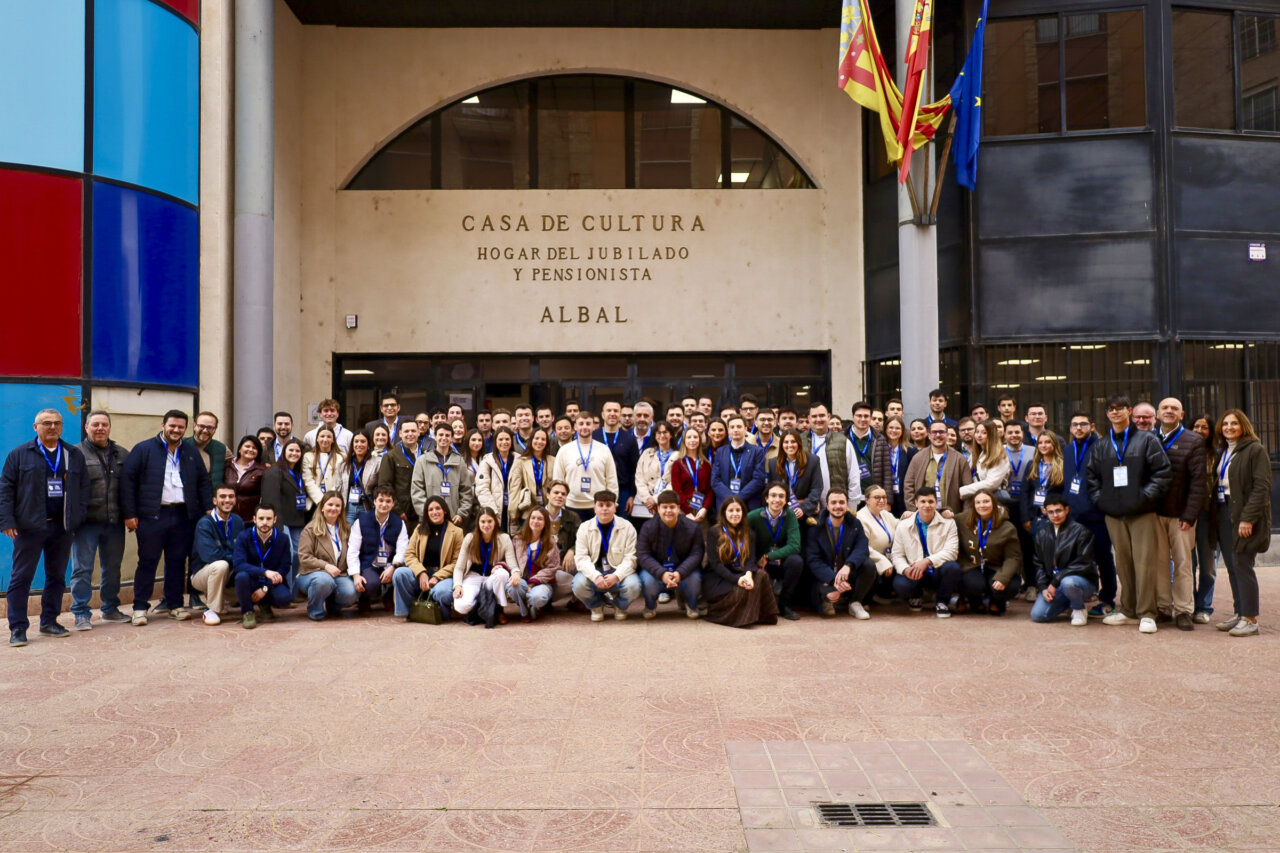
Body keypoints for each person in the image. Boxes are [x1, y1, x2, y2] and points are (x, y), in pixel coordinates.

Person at [1, 408, 89, 646]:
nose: (52, 427)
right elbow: (6, 489)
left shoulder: (72, 454)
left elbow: (83, 490)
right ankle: (18, 628)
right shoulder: (19, 454)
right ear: (35, 427)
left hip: (61, 528)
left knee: (57, 577)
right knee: (21, 578)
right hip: (29, 528)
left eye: (57, 423)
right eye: (46, 423)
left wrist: (76, 519)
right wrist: (6, 520)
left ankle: (49, 622)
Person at [1087, 395, 1171, 634]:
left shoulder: (1147, 440)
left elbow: (1162, 473)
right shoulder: (1101, 446)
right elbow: (1091, 478)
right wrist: (1101, 501)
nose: (1115, 413)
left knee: (1145, 563)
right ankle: (1128, 610)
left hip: (1142, 512)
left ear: (1129, 411)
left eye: (1120, 408)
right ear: (1107, 414)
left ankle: (1147, 613)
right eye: (1111, 409)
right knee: (1122, 563)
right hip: (1113, 514)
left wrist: (1143, 498)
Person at [120, 410, 213, 625]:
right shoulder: (144, 449)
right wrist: (130, 514)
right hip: (152, 516)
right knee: (148, 562)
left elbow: (203, 481)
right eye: (172, 426)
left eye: (181, 427)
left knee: (177, 562)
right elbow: (128, 482)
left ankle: (175, 605)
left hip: (183, 515)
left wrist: (208, 508)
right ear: (163, 425)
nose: (176, 430)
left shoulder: (190, 451)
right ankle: (140, 608)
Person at [1212, 410, 1271, 637]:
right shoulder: (1224, 450)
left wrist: (1248, 518)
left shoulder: (1255, 450)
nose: (1229, 427)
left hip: (1244, 514)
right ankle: (1239, 613)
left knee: (1243, 565)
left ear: (1243, 425)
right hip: (1224, 511)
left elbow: (1262, 487)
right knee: (1232, 566)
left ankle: (1250, 619)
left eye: (1234, 423)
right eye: (1225, 423)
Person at [70, 410, 129, 627]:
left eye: (104, 424)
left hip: (114, 523)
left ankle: (110, 608)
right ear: (86, 427)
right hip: (86, 524)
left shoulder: (122, 454)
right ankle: (81, 613)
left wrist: (130, 515)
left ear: (110, 427)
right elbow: (69, 491)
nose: (100, 428)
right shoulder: (74, 454)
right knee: (82, 569)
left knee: (112, 568)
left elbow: (129, 488)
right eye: (95, 424)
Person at [1153, 397, 1207, 631]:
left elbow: (1198, 481)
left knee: (1184, 564)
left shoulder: (1193, 440)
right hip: (1154, 514)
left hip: (1181, 516)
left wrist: (1190, 514)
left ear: (1182, 414)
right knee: (1159, 563)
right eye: (1165, 408)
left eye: (1174, 408)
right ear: (1158, 413)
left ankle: (1184, 610)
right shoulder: (1149, 438)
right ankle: (1163, 608)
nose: (1169, 411)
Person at [1058, 413, 1115, 617]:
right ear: (1070, 428)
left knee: (1103, 557)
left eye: (1083, 424)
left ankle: (1108, 599)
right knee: (1076, 558)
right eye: (1075, 425)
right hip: (1073, 514)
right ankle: (1080, 594)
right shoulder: (1067, 450)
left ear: (1091, 426)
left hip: (1097, 515)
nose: (1079, 428)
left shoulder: (1102, 447)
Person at [703, 497, 778, 628]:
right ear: (724, 513)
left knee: (761, 576)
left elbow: (751, 560)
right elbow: (715, 564)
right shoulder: (714, 532)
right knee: (742, 589)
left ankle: (762, 615)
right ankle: (738, 617)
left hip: (741, 572)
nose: (735, 514)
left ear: (743, 512)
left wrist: (748, 575)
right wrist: (737, 580)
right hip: (720, 578)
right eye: (731, 510)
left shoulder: (749, 533)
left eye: (738, 510)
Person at [889, 487, 960, 616]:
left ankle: (942, 602)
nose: (927, 505)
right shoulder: (903, 525)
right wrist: (906, 569)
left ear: (936, 503)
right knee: (900, 584)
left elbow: (952, 552)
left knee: (953, 567)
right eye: (923, 501)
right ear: (916, 503)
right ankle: (915, 597)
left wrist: (927, 561)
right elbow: (897, 555)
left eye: (931, 501)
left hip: (937, 570)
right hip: (915, 571)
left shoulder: (949, 523)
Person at [805, 488, 874, 619]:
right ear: (827, 505)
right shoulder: (815, 527)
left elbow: (862, 548)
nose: (838, 506)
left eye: (841, 502)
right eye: (834, 502)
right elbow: (813, 560)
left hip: (847, 572)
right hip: (826, 576)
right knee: (828, 608)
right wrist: (833, 579)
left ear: (847, 505)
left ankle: (855, 602)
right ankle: (829, 598)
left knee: (869, 566)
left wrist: (848, 566)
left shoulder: (855, 523)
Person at [571, 490, 640, 621]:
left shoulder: (627, 527)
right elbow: (581, 558)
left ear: (615, 507)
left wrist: (617, 575)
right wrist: (595, 576)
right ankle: (596, 605)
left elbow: (631, 558)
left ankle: (620, 606)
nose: (604, 509)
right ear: (594, 508)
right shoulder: (584, 528)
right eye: (600, 505)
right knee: (578, 584)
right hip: (594, 571)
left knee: (634, 586)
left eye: (608, 505)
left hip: (617, 570)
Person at [1029, 496, 1098, 626]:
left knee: (1068, 583)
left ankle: (1078, 608)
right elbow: (1038, 564)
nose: (1055, 515)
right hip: (1054, 585)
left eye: (1059, 510)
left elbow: (1083, 563)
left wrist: (1055, 582)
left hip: (1081, 581)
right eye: (1051, 512)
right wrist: (1043, 587)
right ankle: (1068, 602)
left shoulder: (1081, 531)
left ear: (1067, 510)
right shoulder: (1041, 534)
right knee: (1037, 615)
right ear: (1045, 512)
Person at [637, 490, 706, 619]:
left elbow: (697, 554)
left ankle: (691, 605)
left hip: (684, 571)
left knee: (695, 579)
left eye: (672, 507)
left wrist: (680, 573)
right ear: (658, 509)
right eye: (664, 507)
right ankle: (650, 606)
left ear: (679, 508)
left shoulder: (692, 527)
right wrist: (661, 573)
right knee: (647, 580)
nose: (668, 510)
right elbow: (643, 555)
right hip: (657, 571)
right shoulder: (648, 527)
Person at [395, 496, 464, 620]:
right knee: (400, 573)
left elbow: (457, 562)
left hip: (443, 575)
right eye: (430, 509)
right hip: (423, 572)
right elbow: (409, 554)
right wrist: (421, 572)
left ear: (445, 511)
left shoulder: (457, 532)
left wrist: (437, 576)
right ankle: (412, 611)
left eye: (438, 508)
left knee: (441, 592)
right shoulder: (419, 529)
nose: (434, 512)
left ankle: (442, 614)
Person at [742, 482, 802, 620]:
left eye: (781, 496)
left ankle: (784, 606)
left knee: (796, 561)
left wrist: (769, 556)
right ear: (766, 498)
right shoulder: (753, 516)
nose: (777, 500)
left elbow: (794, 545)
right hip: (758, 563)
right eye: (773, 495)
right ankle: (765, 606)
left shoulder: (790, 516)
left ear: (786, 500)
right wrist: (758, 560)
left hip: (778, 560)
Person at [957, 490, 1023, 614]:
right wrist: (945, 510)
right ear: (973, 505)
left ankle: (997, 602)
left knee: (1009, 586)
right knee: (973, 585)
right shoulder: (962, 519)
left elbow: (1013, 557)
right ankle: (975, 602)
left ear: (994, 503)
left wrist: (1003, 578)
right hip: (972, 566)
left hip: (996, 567)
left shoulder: (1007, 527)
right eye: (978, 502)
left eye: (986, 501)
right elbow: (942, 517)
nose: (982, 505)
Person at [296, 491, 359, 620]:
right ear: (322, 507)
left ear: (342, 509)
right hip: (312, 573)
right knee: (323, 581)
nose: (333, 508)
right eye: (330, 504)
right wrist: (325, 566)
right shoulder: (310, 529)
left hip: (339, 574)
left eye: (337, 506)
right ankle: (315, 611)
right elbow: (304, 557)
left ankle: (332, 605)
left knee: (351, 593)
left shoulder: (347, 528)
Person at [347, 485, 407, 614]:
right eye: (381, 500)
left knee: (399, 574)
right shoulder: (361, 521)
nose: (384, 504)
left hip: (390, 563)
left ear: (393, 504)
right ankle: (365, 599)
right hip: (369, 563)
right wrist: (356, 575)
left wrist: (393, 567)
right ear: (374, 501)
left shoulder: (399, 523)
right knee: (371, 583)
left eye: (388, 501)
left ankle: (388, 597)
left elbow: (403, 549)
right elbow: (353, 550)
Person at [231, 503, 293, 629]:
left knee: (285, 598)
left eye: (269, 519)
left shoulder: (283, 539)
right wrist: (264, 572)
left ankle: (264, 603)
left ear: (275, 519)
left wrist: (265, 588)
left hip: (271, 582)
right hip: (251, 579)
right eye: (261, 518)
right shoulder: (244, 537)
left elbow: (285, 566)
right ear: (254, 519)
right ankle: (247, 612)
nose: (265, 522)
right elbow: (239, 564)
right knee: (241, 576)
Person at [189, 485, 245, 625]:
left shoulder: (237, 521)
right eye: (222, 497)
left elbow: (243, 549)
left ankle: (222, 600)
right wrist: (237, 559)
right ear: (215, 501)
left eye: (231, 497)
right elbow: (211, 556)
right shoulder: (205, 523)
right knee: (221, 565)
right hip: (201, 574)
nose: (227, 500)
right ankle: (211, 610)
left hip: (229, 571)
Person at [451, 507, 517, 622]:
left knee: (501, 574)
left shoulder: (504, 538)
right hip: (473, 576)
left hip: (492, 578)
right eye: (483, 521)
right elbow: (459, 568)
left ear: (495, 522)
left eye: (489, 521)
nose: (486, 525)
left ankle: (498, 609)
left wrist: (516, 573)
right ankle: (481, 604)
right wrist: (458, 586)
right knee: (461, 606)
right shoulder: (470, 538)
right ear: (478, 523)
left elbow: (513, 564)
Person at [258, 438, 309, 584]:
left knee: (298, 555)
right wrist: (276, 524)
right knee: (288, 555)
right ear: (283, 452)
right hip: (282, 522)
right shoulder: (274, 472)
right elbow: (270, 500)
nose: (294, 453)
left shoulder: (299, 472)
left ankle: (293, 592)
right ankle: (284, 590)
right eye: (291, 450)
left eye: (297, 451)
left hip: (297, 521)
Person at [552, 412, 618, 522]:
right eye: (581, 423)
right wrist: (560, 505)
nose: (584, 427)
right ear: (575, 427)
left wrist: (612, 503)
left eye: (588, 423)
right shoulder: (564, 450)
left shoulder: (604, 449)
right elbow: (558, 480)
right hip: (571, 506)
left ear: (593, 426)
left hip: (598, 506)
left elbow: (611, 480)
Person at [903, 420, 973, 518]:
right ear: (929, 434)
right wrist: (914, 512)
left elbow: (968, 489)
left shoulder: (959, 459)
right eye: (934, 432)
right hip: (923, 516)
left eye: (941, 432)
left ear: (947, 434)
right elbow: (908, 486)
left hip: (951, 516)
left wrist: (964, 516)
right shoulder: (918, 458)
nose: (938, 435)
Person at [412, 424, 474, 529]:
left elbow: (466, 491)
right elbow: (417, 491)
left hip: (453, 519)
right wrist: (427, 513)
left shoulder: (459, 461)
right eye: (441, 435)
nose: (444, 438)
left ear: (451, 438)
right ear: (435, 437)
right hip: (429, 520)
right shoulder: (422, 460)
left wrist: (461, 514)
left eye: (447, 435)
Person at [803, 403, 863, 509]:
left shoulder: (843, 441)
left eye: (822, 415)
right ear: (809, 418)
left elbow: (853, 475)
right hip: (807, 504)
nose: (818, 419)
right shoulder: (799, 441)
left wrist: (852, 505)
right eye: (814, 416)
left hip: (836, 504)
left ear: (829, 417)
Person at [509, 506, 561, 621]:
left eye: (540, 519)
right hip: (522, 579)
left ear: (545, 523)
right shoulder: (518, 539)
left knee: (537, 597)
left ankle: (534, 604)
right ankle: (524, 610)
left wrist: (533, 583)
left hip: (541, 582)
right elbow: (509, 559)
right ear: (528, 520)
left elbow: (552, 568)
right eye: (533, 518)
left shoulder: (550, 543)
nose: (535, 521)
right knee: (512, 587)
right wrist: (504, 567)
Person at [1190, 414, 1217, 622]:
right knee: (1187, 565)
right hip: (1188, 515)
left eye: (1204, 427)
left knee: (1208, 568)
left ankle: (1204, 606)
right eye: (1196, 426)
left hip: (1210, 516)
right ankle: (1189, 605)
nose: (1199, 430)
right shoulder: (1186, 451)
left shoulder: (1217, 454)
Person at [711, 415, 768, 511]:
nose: (735, 430)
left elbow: (758, 480)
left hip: (749, 504)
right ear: (728, 431)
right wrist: (730, 498)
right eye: (732, 427)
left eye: (739, 426)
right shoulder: (720, 452)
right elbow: (715, 480)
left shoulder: (757, 451)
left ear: (745, 429)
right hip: (725, 504)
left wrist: (738, 498)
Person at [594, 401, 640, 516]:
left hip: (622, 491)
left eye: (616, 411)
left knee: (622, 527)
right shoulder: (594, 436)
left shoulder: (629, 439)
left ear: (620, 415)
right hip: (598, 488)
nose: (612, 413)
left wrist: (631, 495)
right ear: (603, 414)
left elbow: (634, 469)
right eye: (609, 410)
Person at [376, 419, 421, 529]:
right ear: (400, 434)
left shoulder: (427, 455)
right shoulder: (391, 456)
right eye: (406, 431)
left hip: (422, 512)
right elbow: (384, 486)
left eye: (413, 431)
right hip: (402, 513)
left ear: (418, 432)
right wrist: (398, 510)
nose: (410, 434)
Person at [856, 485, 898, 601]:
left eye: (884, 497)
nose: (882, 500)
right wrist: (882, 560)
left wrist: (907, 517)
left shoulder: (884, 514)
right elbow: (863, 547)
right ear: (867, 500)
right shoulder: (861, 518)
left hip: (888, 556)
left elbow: (898, 525)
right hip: (872, 559)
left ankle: (886, 592)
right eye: (877, 497)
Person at [773, 429, 823, 526]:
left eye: (793, 442)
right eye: (786, 442)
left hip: (806, 514)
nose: (790, 445)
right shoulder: (773, 463)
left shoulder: (813, 461)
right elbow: (772, 490)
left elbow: (817, 488)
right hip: (782, 513)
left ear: (799, 443)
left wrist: (803, 508)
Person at [1019, 432, 1064, 538]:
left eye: (1047, 442)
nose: (1043, 445)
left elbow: (1064, 491)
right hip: (1034, 514)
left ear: (1054, 444)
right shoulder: (1032, 465)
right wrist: (1025, 518)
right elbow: (1024, 492)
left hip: (1054, 514)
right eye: (1040, 443)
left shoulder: (1063, 465)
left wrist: (1051, 506)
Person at [544, 480, 582, 606]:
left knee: (584, 565)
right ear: (547, 495)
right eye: (556, 492)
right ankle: (544, 600)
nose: (560, 496)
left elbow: (582, 540)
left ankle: (576, 600)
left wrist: (572, 550)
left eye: (563, 494)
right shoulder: (536, 515)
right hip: (543, 564)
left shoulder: (572, 517)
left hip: (565, 561)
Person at [474, 426, 518, 532]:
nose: (504, 442)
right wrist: (492, 511)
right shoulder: (487, 461)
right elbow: (482, 488)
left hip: (514, 510)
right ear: (495, 441)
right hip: (495, 510)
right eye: (500, 439)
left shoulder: (519, 460)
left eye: (507, 439)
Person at [508, 427, 553, 530]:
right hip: (527, 511)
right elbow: (515, 488)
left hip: (547, 511)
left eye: (543, 439)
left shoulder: (553, 461)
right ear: (531, 440)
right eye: (536, 438)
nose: (539, 442)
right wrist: (514, 513)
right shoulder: (520, 461)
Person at [633, 422, 677, 521]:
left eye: (665, 432)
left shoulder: (679, 456)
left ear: (671, 435)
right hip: (645, 505)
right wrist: (648, 499)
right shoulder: (647, 453)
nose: (662, 435)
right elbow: (639, 479)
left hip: (667, 504)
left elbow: (674, 482)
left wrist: (656, 499)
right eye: (658, 433)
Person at [847, 402, 892, 499]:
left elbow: (887, 472)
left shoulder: (880, 439)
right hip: (849, 495)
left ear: (871, 418)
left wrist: (887, 500)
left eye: (866, 416)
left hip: (873, 496)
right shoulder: (843, 437)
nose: (863, 419)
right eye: (859, 416)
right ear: (852, 416)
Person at [960, 421, 1010, 503]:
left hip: (993, 500)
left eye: (984, 433)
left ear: (991, 435)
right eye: (977, 432)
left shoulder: (999, 455)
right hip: (977, 498)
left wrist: (963, 491)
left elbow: (991, 483)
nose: (979, 435)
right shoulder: (976, 453)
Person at [672, 427, 713, 523]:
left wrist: (705, 509)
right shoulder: (678, 464)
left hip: (701, 508)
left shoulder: (706, 464)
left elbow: (710, 490)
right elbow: (677, 491)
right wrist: (687, 512)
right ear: (684, 441)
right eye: (689, 437)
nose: (692, 440)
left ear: (699, 440)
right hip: (684, 508)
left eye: (695, 437)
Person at [224, 435, 269, 523]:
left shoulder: (262, 470)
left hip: (249, 520)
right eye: (247, 446)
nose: (251, 450)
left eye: (254, 448)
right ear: (240, 449)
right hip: (226, 517)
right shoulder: (227, 466)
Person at [184, 412, 230, 493]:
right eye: (201, 426)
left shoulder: (222, 449)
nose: (205, 431)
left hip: (211, 500)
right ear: (195, 426)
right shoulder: (181, 445)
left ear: (215, 430)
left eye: (210, 427)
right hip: (185, 499)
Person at [302, 426, 348, 506]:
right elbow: (308, 481)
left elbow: (341, 481)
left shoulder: (342, 457)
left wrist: (329, 499)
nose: (325, 439)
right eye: (322, 436)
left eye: (329, 437)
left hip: (334, 501)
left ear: (333, 440)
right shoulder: (308, 456)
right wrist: (321, 500)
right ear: (317, 439)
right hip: (314, 502)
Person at [345, 431, 383, 523]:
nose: (359, 444)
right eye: (356, 441)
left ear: (369, 445)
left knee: (366, 534)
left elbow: (381, 486)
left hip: (367, 507)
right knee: (348, 535)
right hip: (348, 507)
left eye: (363, 441)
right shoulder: (344, 464)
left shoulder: (378, 462)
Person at [881, 417, 912, 516]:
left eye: (897, 428)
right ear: (885, 429)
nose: (894, 431)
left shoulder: (911, 450)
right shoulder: (879, 448)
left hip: (903, 498)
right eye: (891, 427)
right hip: (884, 497)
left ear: (902, 431)